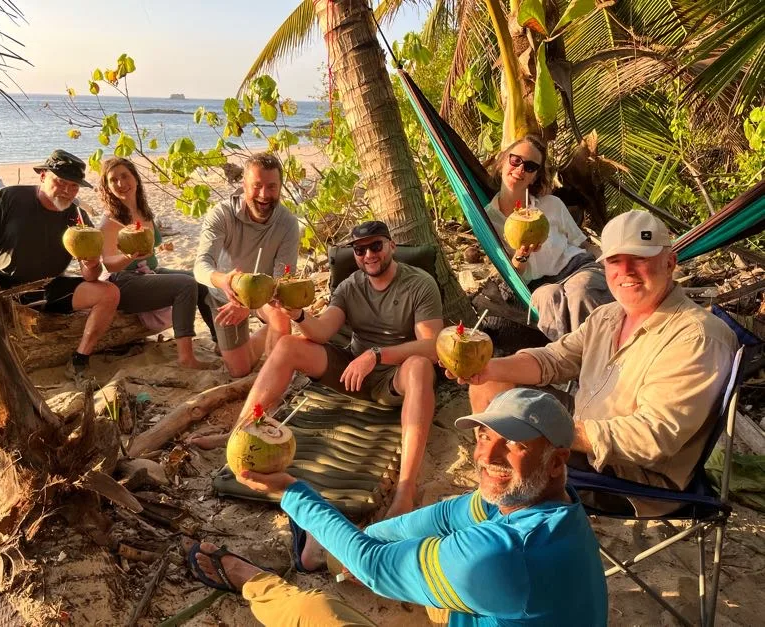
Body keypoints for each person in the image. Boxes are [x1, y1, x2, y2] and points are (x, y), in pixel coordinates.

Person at [187, 388, 609, 626]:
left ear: (556, 463)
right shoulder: (553, 508)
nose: (488, 456)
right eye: (484, 437)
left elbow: (373, 565)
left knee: (314, 611)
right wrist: (363, 541)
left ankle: (253, 581)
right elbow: (443, 517)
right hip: (498, 603)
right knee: (426, 560)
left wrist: (292, 492)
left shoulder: (504, 554)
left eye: (514, 446)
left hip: (498, 581)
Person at [458, 211, 739, 516]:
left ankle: (506, 519)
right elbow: (555, 359)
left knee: (521, 440)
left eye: (639, 259)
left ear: (669, 263)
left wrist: (549, 429)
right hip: (581, 439)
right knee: (493, 386)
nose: (626, 271)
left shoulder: (697, 337)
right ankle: (500, 492)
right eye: (615, 261)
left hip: (630, 477)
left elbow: (652, 438)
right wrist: (485, 369)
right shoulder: (609, 315)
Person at [231, 220, 443, 519]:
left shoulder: (419, 284)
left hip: (396, 376)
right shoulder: (350, 286)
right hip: (351, 373)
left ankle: (405, 490)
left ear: (392, 246)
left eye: (376, 246)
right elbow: (321, 332)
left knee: (421, 367)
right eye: (360, 250)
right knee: (289, 345)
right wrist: (299, 314)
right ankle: (241, 432)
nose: (368, 255)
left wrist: (378, 355)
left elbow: (433, 347)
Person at [0, 149, 120, 383]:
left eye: (73, 186)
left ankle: (79, 360)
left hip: (47, 288)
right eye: (60, 182)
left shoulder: (78, 218)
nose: (67, 191)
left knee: (109, 293)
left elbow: (91, 275)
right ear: (43, 176)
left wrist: (91, 263)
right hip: (3, 285)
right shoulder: (8, 198)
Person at [485, 135, 613, 340]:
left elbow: (584, 245)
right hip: (538, 285)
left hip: (577, 267)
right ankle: (571, 359)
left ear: (535, 176)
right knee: (546, 299)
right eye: (515, 160)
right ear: (502, 161)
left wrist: (614, 263)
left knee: (581, 290)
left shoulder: (551, 205)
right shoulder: (487, 221)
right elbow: (512, 276)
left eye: (530, 166)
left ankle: (599, 352)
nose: (520, 169)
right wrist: (521, 256)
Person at [97, 157, 215, 369]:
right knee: (185, 285)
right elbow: (109, 264)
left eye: (125, 176)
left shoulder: (143, 211)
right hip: (124, 282)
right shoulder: (110, 220)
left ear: (135, 178)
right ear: (107, 186)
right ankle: (186, 357)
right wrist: (128, 256)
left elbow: (150, 249)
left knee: (199, 279)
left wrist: (160, 248)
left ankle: (220, 342)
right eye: (113, 180)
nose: (121, 183)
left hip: (150, 273)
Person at [193, 152, 298, 377]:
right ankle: (247, 341)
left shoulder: (287, 223)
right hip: (224, 295)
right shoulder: (221, 214)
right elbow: (201, 265)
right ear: (244, 185)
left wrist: (249, 303)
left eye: (272, 187)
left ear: (280, 187)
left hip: (266, 294)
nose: (264, 195)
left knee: (281, 314)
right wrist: (225, 281)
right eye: (257, 186)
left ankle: (272, 376)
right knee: (239, 370)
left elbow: (284, 280)